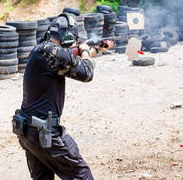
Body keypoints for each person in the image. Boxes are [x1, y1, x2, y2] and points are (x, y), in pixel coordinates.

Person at [14, 13, 113, 180]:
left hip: (27, 130)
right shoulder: (53, 52)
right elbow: (87, 73)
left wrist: (92, 50)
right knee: (81, 176)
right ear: (67, 36)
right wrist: (86, 52)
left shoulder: (42, 49)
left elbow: (70, 60)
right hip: (44, 133)